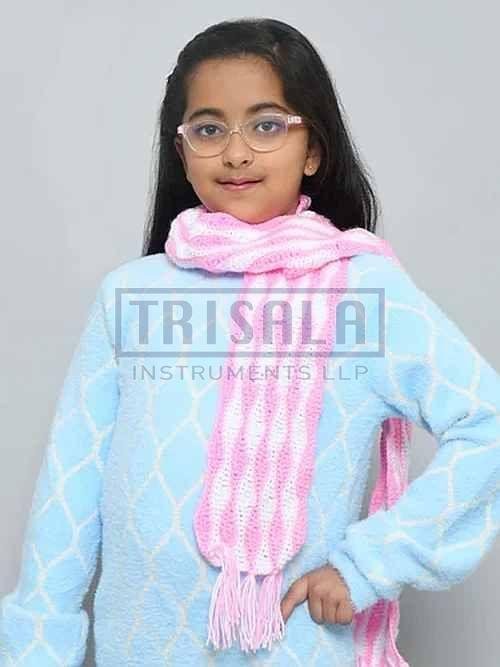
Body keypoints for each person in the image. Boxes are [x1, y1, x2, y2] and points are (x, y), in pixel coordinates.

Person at [1, 17, 500, 667]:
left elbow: (487, 423)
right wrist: (40, 643)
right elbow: (71, 485)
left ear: (313, 149)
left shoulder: (362, 291)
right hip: (141, 646)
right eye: (209, 129)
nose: (236, 153)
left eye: (267, 125)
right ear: (182, 150)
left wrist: (371, 563)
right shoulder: (131, 295)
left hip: (293, 646)